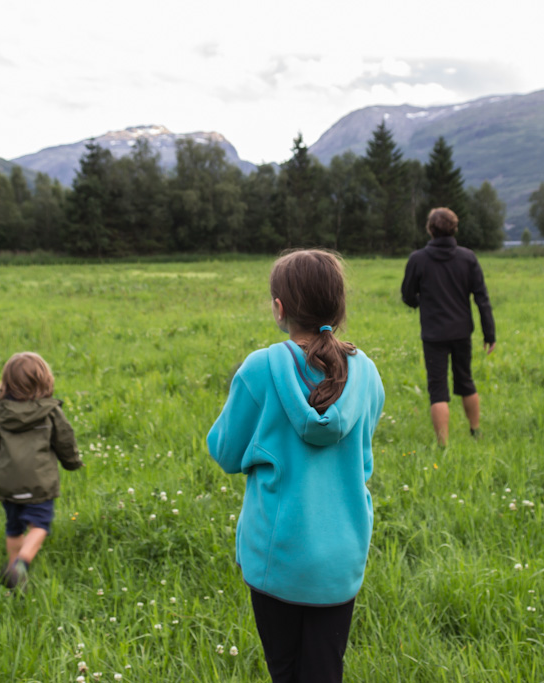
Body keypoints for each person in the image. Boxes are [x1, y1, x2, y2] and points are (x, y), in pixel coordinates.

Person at [207, 250, 385, 683]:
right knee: (325, 672)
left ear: (279, 308)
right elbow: (362, 458)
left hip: (277, 557)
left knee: (284, 671)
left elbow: (225, 452)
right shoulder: (366, 374)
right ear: (339, 308)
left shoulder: (260, 370)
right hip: (341, 557)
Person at [0, 351, 83, 590]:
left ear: (7, 383)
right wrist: (72, 463)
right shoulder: (51, 412)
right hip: (40, 483)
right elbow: (65, 442)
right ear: (44, 381)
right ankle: (21, 564)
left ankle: (14, 571)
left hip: (7, 483)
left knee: (13, 527)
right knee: (39, 525)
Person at [401, 207, 496, 446]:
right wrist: (489, 333)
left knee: (438, 389)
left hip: (433, 333)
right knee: (466, 381)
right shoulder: (467, 258)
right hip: (462, 331)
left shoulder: (418, 259)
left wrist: (421, 302)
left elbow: (407, 295)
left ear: (430, 229)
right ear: (455, 228)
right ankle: (475, 431)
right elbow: (481, 298)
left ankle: (443, 445)